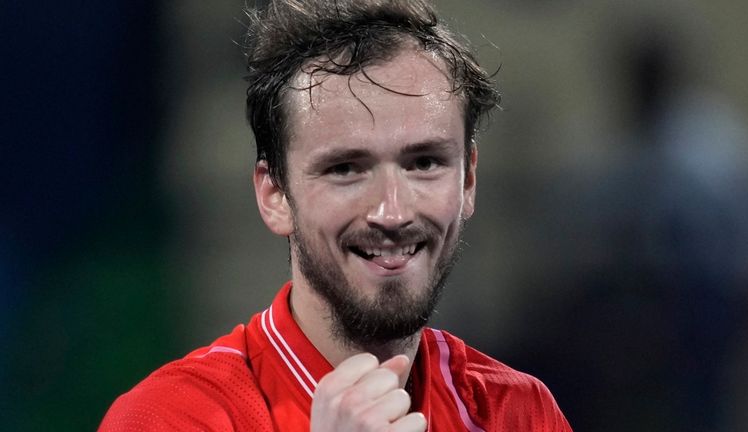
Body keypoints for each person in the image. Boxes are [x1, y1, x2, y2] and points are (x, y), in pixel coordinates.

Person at [99, 1, 572, 430]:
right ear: (274, 194)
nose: (392, 212)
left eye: (424, 163)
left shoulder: (518, 414)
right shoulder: (167, 419)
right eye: (345, 169)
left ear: (468, 180)